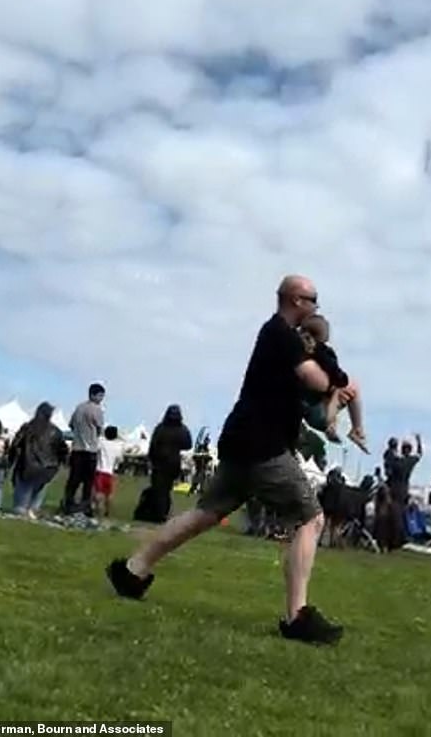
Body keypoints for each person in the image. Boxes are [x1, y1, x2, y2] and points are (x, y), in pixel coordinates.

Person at [107, 275, 357, 645]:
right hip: (263, 445)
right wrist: (335, 380)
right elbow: (317, 382)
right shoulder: (281, 334)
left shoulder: (279, 337)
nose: (317, 306)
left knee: (203, 514)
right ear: (296, 300)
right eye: (313, 299)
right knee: (311, 517)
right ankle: (296, 617)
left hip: (241, 441)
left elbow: (312, 401)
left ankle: (132, 571)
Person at [298, 315, 368, 453]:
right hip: (318, 414)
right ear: (324, 336)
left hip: (304, 411)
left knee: (333, 390)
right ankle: (355, 430)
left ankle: (333, 425)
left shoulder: (291, 350)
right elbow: (341, 379)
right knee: (351, 386)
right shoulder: (323, 353)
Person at [133, 406, 192, 524]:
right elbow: (188, 445)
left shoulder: (161, 428)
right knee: (165, 489)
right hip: (174, 463)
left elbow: (153, 445)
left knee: (159, 489)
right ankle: (162, 513)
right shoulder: (183, 429)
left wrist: (151, 459)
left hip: (160, 462)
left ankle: (159, 514)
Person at [9, 402, 69, 518]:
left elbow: (15, 445)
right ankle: (32, 511)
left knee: (20, 503)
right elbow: (63, 451)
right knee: (38, 494)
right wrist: (61, 465)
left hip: (26, 467)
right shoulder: (56, 431)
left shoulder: (27, 428)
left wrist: (11, 462)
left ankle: (22, 511)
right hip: (47, 470)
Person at [62, 383, 105, 516]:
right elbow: (99, 428)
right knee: (88, 481)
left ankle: (68, 503)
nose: (101, 398)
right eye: (100, 395)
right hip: (89, 450)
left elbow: (71, 425)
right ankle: (85, 506)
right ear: (93, 395)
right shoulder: (97, 409)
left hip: (77, 448)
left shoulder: (79, 408)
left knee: (73, 479)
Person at [93, 425, 125, 520]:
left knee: (98, 492)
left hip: (100, 471)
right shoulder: (118, 446)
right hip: (110, 473)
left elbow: (95, 449)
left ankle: (98, 512)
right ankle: (108, 512)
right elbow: (120, 460)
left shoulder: (101, 442)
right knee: (109, 494)